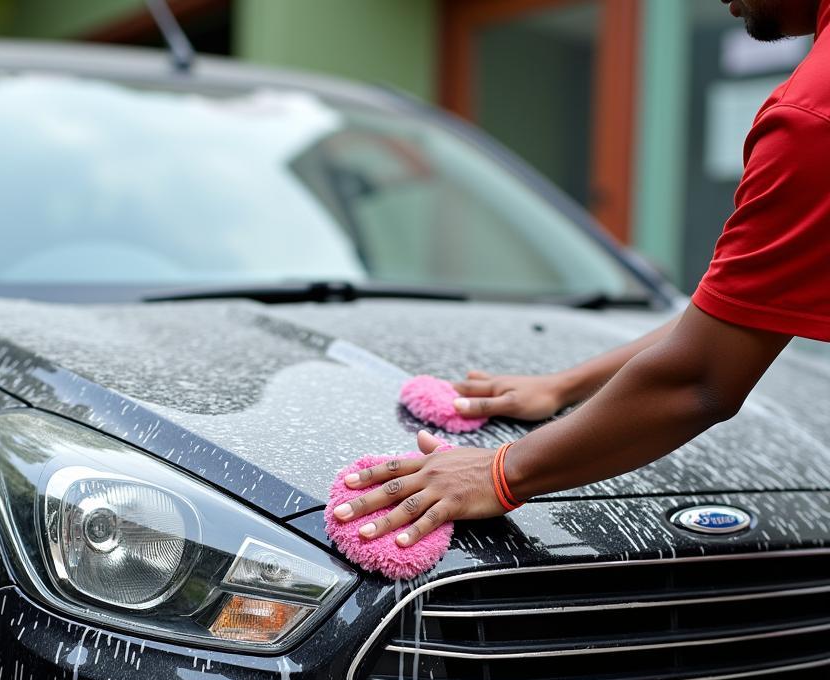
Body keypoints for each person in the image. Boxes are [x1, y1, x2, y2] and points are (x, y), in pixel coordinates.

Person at [333, 0, 830, 546]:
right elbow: (734, 314)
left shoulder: (811, 116)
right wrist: (563, 386)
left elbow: (702, 379)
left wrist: (501, 471)